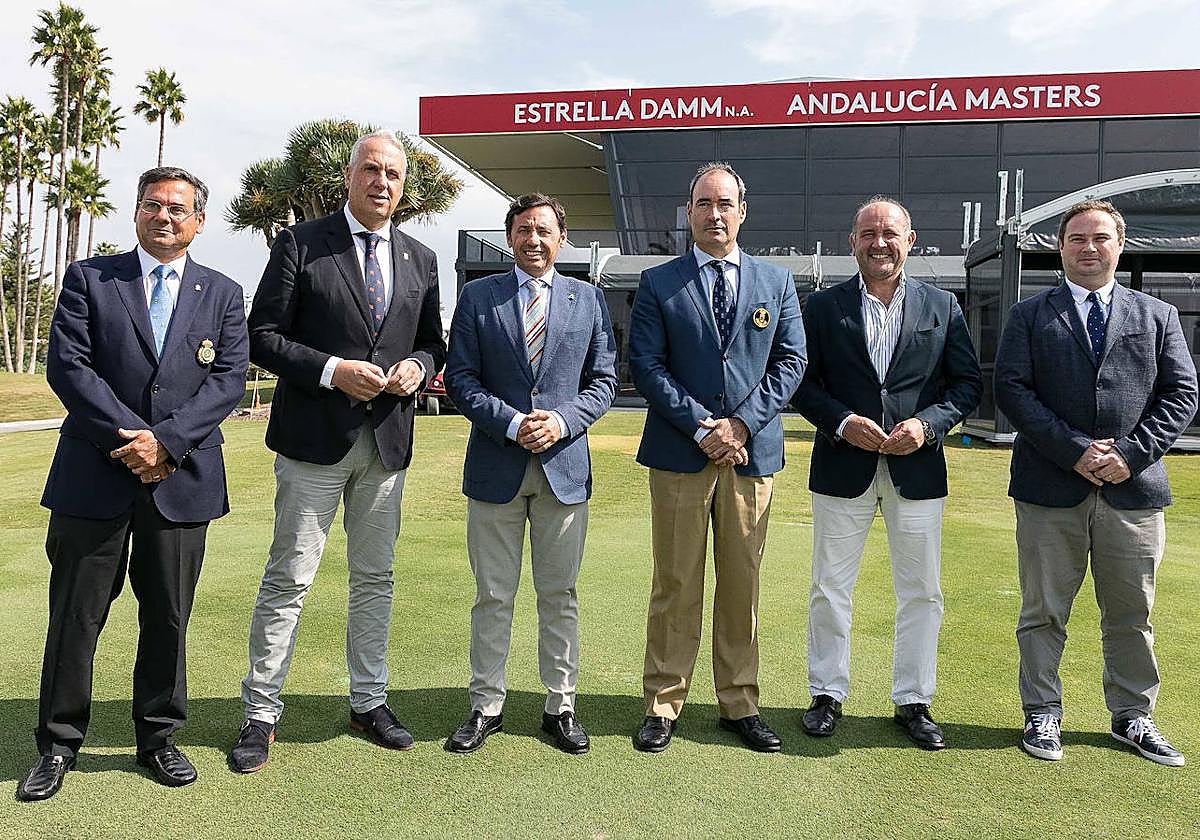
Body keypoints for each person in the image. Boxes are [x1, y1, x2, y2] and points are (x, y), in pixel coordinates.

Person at [17, 167, 248, 801]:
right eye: (152, 205)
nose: (164, 216)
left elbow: (227, 381)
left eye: (178, 208)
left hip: (182, 480)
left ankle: (158, 738)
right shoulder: (91, 279)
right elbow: (68, 366)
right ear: (136, 213)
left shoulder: (224, 294)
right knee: (75, 616)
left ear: (199, 220)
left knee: (169, 615)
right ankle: (59, 743)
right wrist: (132, 440)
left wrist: (167, 444)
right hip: (94, 475)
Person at [230, 130, 446, 772]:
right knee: (289, 579)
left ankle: (368, 700)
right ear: (350, 177)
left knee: (375, 580)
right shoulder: (300, 244)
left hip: (386, 443)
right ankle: (260, 712)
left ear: (404, 186)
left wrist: (416, 364)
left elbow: (435, 340)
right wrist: (330, 370)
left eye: (394, 174)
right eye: (372, 170)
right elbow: (260, 336)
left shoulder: (420, 257)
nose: (383, 182)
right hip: (313, 443)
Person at [994, 199, 1196, 767]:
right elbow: (1013, 390)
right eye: (1077, 238)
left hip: (1133, 492)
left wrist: (1130, 454)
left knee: (1132, 613)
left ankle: (1133, 716)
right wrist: (1074, 450)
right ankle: (1042, 711)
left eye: (1100, 238)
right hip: (1050, 488)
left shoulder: (1157, 316)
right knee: (1042, 611)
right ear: (1061, 247)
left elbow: (1181, 395)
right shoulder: (1030, 315)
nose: (1089, 248)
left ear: (1120, 244)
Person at [629, 162, 806, 753]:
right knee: (675, 582)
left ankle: (739, 702)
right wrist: (702, 425)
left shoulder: (777, 283)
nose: (714, 214)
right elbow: (647, 366)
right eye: (703, 203)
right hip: (680, 455)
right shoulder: (659, 282)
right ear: (689, 211)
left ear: (742, 210)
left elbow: (790, 364)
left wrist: (739, 425)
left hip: (751, 458)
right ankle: (663, 702)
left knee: (742, 583)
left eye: (724, 203)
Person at [793, 197, 981, 750]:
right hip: (842, 464)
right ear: (852, 241)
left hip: (917, 468)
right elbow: (800, 382)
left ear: (911, 239)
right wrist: (841, 421)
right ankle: (827, 692)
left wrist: (927, 426)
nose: (879, 243)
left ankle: (913, 699)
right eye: (868, 233)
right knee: (830, 589)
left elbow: (966, 386)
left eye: (890, 233)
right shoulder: (823, 308)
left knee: (921, 590)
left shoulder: (943, 306)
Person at [443, 193, 617, 755]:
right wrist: (513, 423)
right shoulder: (477, 297)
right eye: (523, 230)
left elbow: (605, 381)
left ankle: (559, 704)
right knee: (493, 593)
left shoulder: (588, 299)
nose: (534, 240)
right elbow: (462, 379)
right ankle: (485, 703)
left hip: (564, 469)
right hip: (497, 464)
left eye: (544, 230)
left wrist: (563, 421)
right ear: (509, 236)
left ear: (561, 238)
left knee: (559, 592)